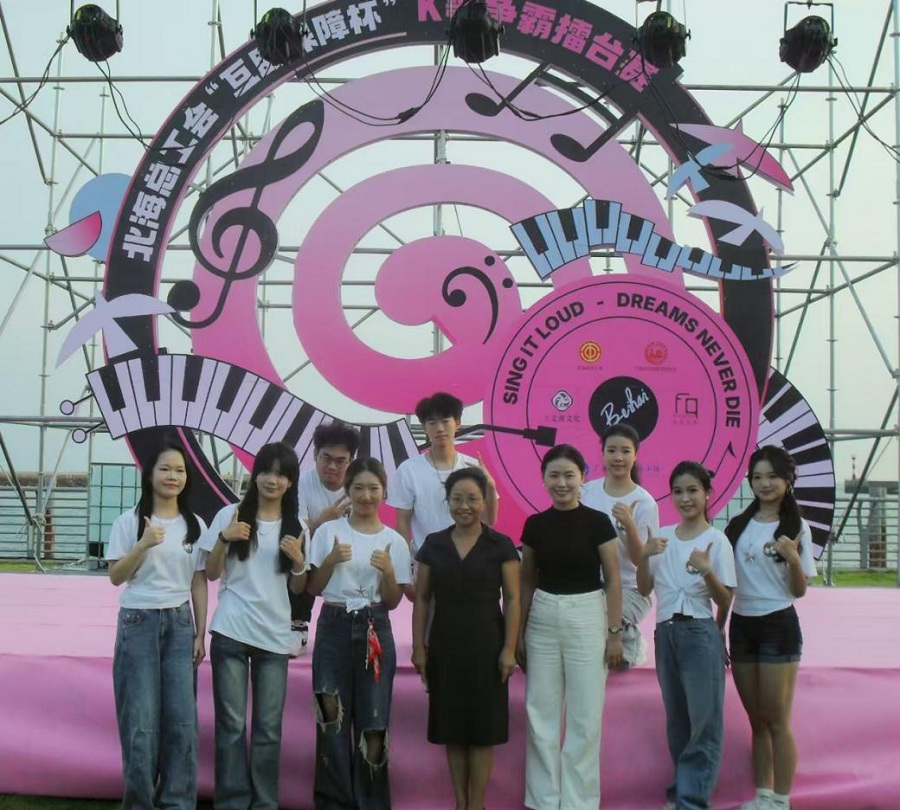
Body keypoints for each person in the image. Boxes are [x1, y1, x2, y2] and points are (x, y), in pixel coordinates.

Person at [201, 442, 308, 810]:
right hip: (231, 629)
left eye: (281, 474)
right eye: (265, 471)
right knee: (231, 727)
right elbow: (211, 572)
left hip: (275, 636)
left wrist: (298, 562)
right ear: (255, 474)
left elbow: (299, 588)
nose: (271, 480)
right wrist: (223, 538)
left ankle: (264, 803)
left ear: (290, 482)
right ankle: (232, 802)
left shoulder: (297, 526)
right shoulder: (230, 515)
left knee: (268, 730)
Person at [516, 443, 624, 810]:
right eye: (554, 475)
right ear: (544, 479)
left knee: (585, 717)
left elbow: (614, 580)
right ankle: (543, 801)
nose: (561, 483)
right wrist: (519, 633)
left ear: (582, 478)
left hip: (587, 615)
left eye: (569, 475)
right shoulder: (535, 525)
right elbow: (526, 582)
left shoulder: (598, 522)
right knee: (540, 714)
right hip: (543, 617)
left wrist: (614, 633)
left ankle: (580, 803)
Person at [106, 439, 208, 810]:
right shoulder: (128, 522)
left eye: (179, 470)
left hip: (180, 623)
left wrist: (200, 633)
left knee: (182, 721)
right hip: (139, 621)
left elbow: (198, 580)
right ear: (149, 475)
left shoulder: (195, 525)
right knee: (140, 721)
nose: (172, 476)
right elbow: (116, 576)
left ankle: (177, 802)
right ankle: (140, 802)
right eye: (165, 469)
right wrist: (143, 544)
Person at [412, 467, 520, 810]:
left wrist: (509, 649)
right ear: (447, 501)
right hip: (445, 645)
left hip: (488, 645)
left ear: (484, 501)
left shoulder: (500, 544)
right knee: (453, 730)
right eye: (457, 498)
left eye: (472, 498)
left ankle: (477, 805)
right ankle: (460, 803)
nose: (464, 506)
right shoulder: (434, 544)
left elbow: (513, 599)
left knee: (482, 732)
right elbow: (422, 598)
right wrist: (418, 648)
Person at [307, 457, 412, 810]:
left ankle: (372, 801)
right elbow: (313, 588)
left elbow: (393, 601)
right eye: (358, 488)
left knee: (374, 721)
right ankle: (333, 801)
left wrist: (388, 573)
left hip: (375, 627)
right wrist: (330, 561)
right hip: (334, 626)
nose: (366, 495)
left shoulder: (394, 541)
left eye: (373, 488)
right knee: (330, 716)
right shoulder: (328, 532)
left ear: (384, 491)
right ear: (347, 490)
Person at [636, 462, 736, 810]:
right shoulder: (661, 537)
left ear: (707, 494)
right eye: (678, 491)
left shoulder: (716, 540)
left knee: (704, 721)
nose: (685, 498)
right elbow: (644, 588)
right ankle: (681, 792)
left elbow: (724, 599)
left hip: (699, 631)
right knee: (677, 720)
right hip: (665, 633)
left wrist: (707, 572)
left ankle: (692, 800)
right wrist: (643, 557)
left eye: (693, 490)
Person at [724, 447, 818, 810]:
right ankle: (762, 795)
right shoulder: (738, 525)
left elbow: (799, 591)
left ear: (788, 480)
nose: (764, 484)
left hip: (778, 624)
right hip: (742, 624)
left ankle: (781, 799)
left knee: (777, 719)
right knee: (757, 721)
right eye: (758, 477)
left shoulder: (796, 527)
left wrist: (793, 559)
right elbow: (727, 582)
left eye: (772, 477)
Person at [388, 392, 498, 595]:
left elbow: (488, 521)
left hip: (470, 563)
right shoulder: (409, 470)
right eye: (432, 422)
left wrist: (490, 487)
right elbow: (402, 526)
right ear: (424, 427)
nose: (439, 428)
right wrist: (404, 576)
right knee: (427, 615)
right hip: (427, 565)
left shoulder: (472, 466)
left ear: (457, 423)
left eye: (446, 420)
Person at [582, 423, 660, 668]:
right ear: (603, 453)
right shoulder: (586, 493)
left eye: (625, 451)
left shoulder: (645, 503)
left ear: (635, 455)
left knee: (599, 618)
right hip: (589, 586)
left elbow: (641, 561)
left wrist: (629, 526)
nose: (618, 457)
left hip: (630, 589)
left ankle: (631, 642)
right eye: (612, 450)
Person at [289, 421, 361, 656]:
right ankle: (297, 624)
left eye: (340, 461)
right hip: (310, 549)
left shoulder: (358, 486)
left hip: (346, 553)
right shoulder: (300, 482)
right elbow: (297, 531)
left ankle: (357, 622)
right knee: (296, 552)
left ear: (351, 461)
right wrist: (324, 519)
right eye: (326, 458)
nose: (332, 466)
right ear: (315, 455)